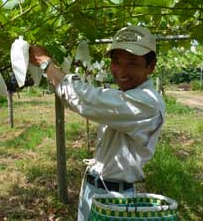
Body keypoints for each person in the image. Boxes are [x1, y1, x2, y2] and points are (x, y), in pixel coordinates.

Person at [29, 25, 165, 221]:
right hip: (95, 189)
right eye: (116, 62)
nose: (121, 71)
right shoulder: (125, 96)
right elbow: (79, 100)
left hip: (114, 199)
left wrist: (46, 64)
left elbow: (86, 99)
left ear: (150, 67)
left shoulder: (147, 102)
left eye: (132, 63)